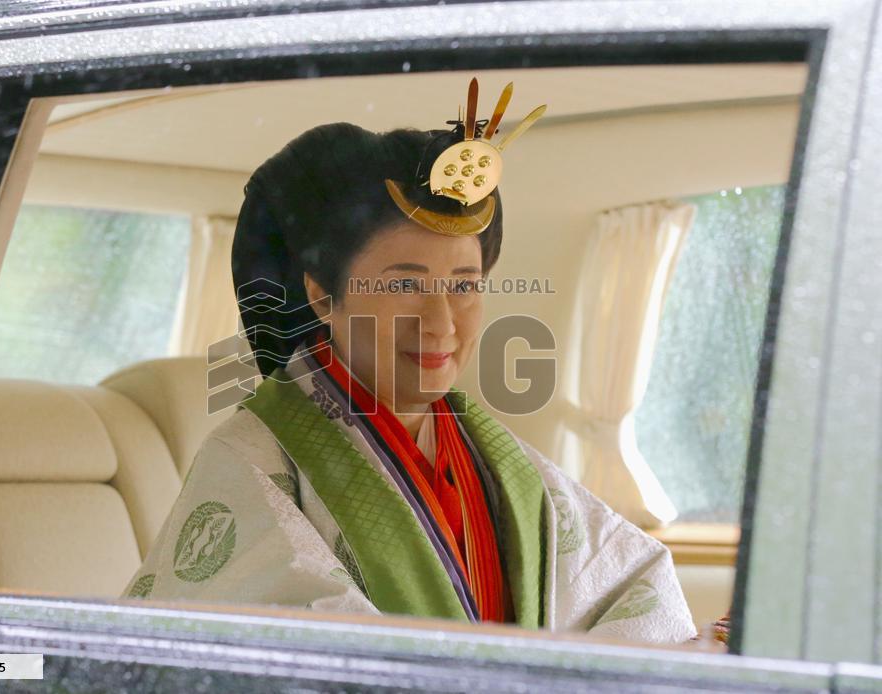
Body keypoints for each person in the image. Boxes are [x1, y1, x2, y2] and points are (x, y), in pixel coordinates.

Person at [121, 79, 697, 645]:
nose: (442, 322)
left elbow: (636, 578)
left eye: (465, 285)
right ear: (324, 295)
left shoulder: (497, 457)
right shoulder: (250, 458)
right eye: (405, 284)